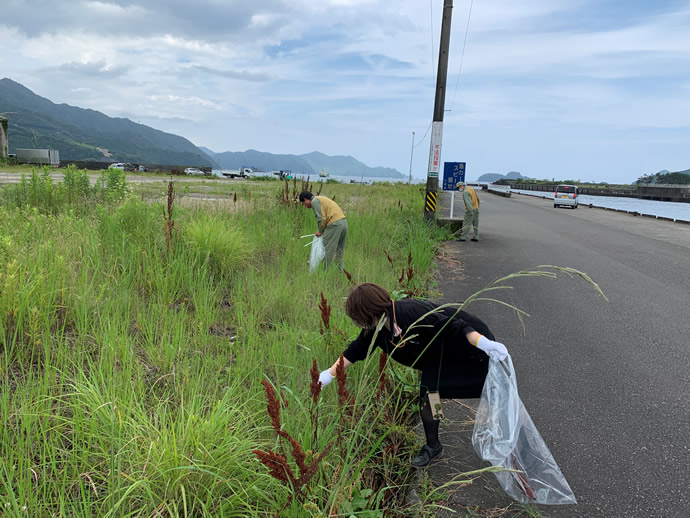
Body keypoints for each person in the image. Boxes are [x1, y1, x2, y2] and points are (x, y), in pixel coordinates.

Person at [317, 283, 508, 468]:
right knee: (430, 392)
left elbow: (457, 327)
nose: (358, 323)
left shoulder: (411, 313)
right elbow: (356, 351)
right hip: (438, 356)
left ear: (371, 313)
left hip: (471, 346)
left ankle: (504, 432)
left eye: (358, 318)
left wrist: (483, 343)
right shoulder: (376, 327)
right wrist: (328, 375)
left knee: (488, 387)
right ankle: (434, 446)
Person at [299, 191, 348, 270]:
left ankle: (325, 272)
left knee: (328, 250)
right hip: (343, 223)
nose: (305, 206)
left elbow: (321, 218)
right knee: (340, 250)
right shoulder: (322, 199)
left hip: (334, 224)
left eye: (303, 203)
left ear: (306, 200)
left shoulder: (315, 201)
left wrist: (320, 231)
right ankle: (340, 270)